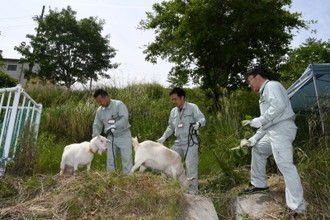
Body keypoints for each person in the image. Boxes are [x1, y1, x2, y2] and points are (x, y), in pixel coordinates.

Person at [242, 68, 306, 214]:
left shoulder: (272, 86)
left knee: (285, 165)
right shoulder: (263, 93)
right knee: (258, 149)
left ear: (256, 77)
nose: (248, 84)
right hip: (273, 130)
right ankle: (259, 184)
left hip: (282, 130)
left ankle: (297, 207)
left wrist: (261, 119)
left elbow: (279, 106)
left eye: (248, 81)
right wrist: (255, 137)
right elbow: (267, 121)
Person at [158, 87, 206, 194]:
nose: (173, 101)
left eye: (175, 99)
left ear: (182, 97)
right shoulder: (173, 111)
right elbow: (170, 127)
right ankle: (173, 188)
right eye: (172, 99)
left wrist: (198, 124)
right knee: (167, 160)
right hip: (179, 142)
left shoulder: (193, 107)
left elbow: (202, 120)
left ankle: (193, 192)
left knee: (190, 165)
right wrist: (164, 137)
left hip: (190, 141)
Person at [92, 89, 133, 174]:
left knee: (126, 159)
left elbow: (124, 118)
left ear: (106, 97)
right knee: (110, 160)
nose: (100, 104)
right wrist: (95, 138)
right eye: (98, 102)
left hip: (123, 135)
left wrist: (115, 125)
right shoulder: (100, 110)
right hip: (110, 138)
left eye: (101, 101)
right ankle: (112, 178)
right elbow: (97, 125)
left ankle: (128, 179)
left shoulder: (119, 105)